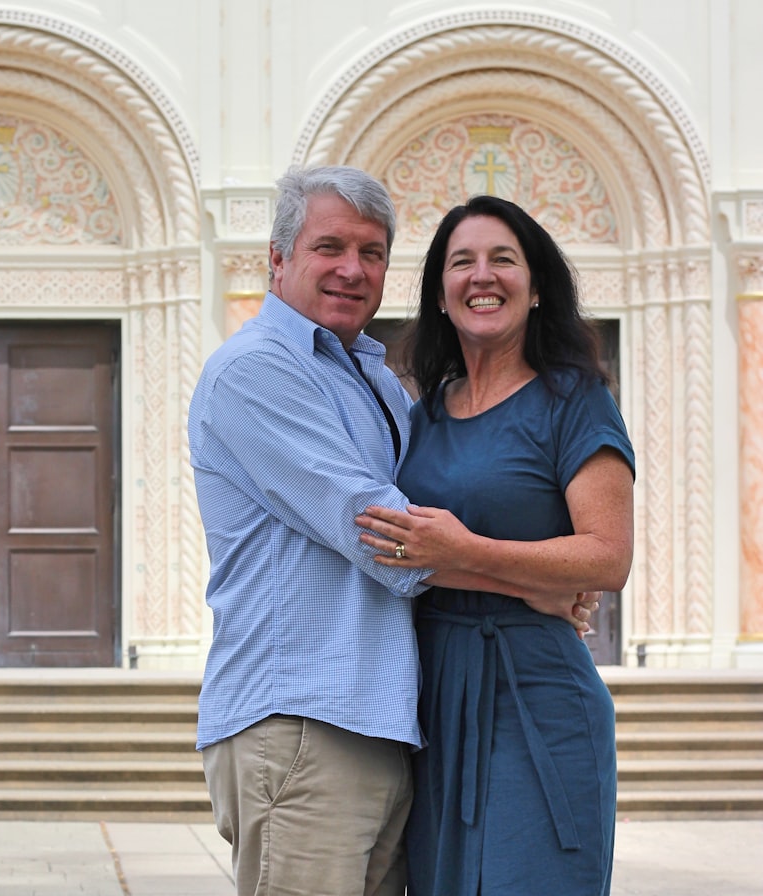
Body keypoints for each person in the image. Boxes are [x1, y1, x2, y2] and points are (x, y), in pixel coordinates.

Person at [188, 167, 594, 896]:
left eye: (372, 252)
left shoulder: (375, 379)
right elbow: (382, 532)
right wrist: (535, 584)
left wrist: (534, 578)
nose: (352, 269)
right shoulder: (253, 373)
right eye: (330, 247)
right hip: (301, 721)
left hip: (385, 724)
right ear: (276, 260)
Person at [356, 194, 635, 896]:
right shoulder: (418, 420)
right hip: (430, 698)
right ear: (441, 295)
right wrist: (528, 578)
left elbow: (608, 556)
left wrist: (467, 554)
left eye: (503, 259)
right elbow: (393, 552)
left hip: (538, 697)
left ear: (537, 287)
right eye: (462, 262)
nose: (483, 276)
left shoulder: (575, 400)